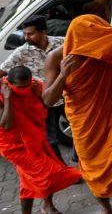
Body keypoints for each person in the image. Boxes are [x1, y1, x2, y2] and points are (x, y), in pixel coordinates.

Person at [42, 15, 112, 213]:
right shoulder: (57, 57)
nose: (94, 41)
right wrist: (63, 75)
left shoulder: (105, 47)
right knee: (93, 167)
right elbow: (48, 99)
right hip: (85, 121)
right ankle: (106, 207)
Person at [0, 66, 82, 214]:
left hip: (36, 137)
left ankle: (45, 207)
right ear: (9, 83)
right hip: (14, 146)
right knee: (49, 173)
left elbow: (44, 109)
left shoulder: (34, 86)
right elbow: (7, 125)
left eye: (27, 85)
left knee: (28, 181)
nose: (25, 89)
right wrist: (7, 98)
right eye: (20, 87)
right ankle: (91, 176)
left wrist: (39, 95)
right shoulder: (3, 92)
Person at [0, 15, 66, 163]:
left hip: (67, 96)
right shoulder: (21, 52)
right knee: (50, 141)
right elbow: (2, 71)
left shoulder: (62, 43)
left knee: (82, 131)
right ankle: (62, 171)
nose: (26, 37)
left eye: (30, 34)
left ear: (43, 32)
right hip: (43, 101)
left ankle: (81, 161)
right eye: (24, 34)